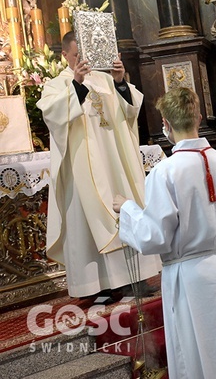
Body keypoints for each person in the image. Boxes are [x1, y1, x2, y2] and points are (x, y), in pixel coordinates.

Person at [112, 87, 216, 379]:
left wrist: (129, 209)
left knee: (199, 353)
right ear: (198, 117)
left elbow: (153, 237)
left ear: (166, 124)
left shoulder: (165, 172)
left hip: (190, 275)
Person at [36, 31, 161, 299]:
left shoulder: (107, 80)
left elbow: (131, 110)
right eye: (76, 56)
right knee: (88, 221)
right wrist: (77, 84)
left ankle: (135, 279)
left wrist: (120, 82)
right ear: (65, 56)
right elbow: (52, 115)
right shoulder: (56, 85)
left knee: (125, 211)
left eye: (85, 55)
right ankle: (97, 286)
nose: (82, 60)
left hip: (115, 163)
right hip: (83, 169)